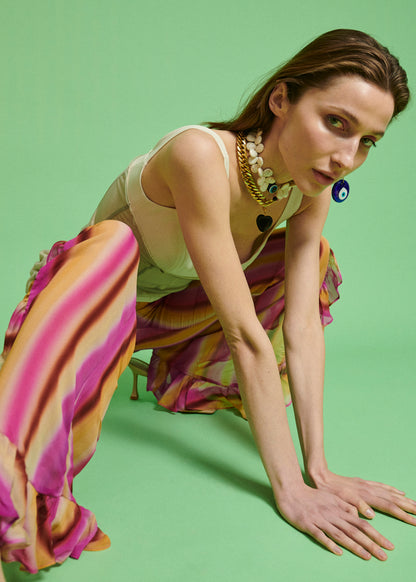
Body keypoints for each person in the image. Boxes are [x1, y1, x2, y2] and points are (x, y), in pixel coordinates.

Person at [0, 28, 415, 577]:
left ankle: (187, 375)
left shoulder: (305, 190)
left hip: (169, 314)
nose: (346, 157)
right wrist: (287, 489)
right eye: (336, 122)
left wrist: (318, 469)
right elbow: (244, 335)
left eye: (367, 142)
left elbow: (301, 327)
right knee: (112, 244)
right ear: (281, 99)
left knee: (312, 254)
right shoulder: (199, 154)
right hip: (86, 317)